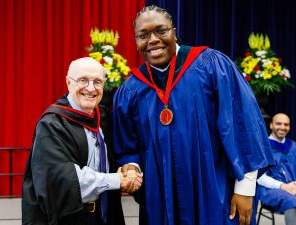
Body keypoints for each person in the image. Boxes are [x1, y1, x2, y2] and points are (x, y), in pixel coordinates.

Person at [112, 5, 275, 225]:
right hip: (161, 199)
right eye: (143, 35)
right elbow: (128, 147)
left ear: (174, 31)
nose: (152, 40)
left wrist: (245, 187)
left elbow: (242, 125)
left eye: (161, 31)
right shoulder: (131, 90)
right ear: (135, 40)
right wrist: (131, 167)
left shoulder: (211, 66)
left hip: (215, 192)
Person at [22, 57, 142, 225]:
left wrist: (128, 169)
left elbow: (120, 152)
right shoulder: (52, 125)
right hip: (71, 218)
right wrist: (116, 180)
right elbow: (64, 181)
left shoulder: (103, 117)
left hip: (105, 215)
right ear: (68, 82)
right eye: (83, 80)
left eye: (98, 82)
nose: (91, 88)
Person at [257, 113, 296, 225]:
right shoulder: (263, 147)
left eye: (286, 124)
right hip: (270, 190)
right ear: (271, 125)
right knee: (292, 200)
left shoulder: (293, 146)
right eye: (278, 123)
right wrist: (283, 186)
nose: (282, 127)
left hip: (293, 187)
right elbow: (259, 177)